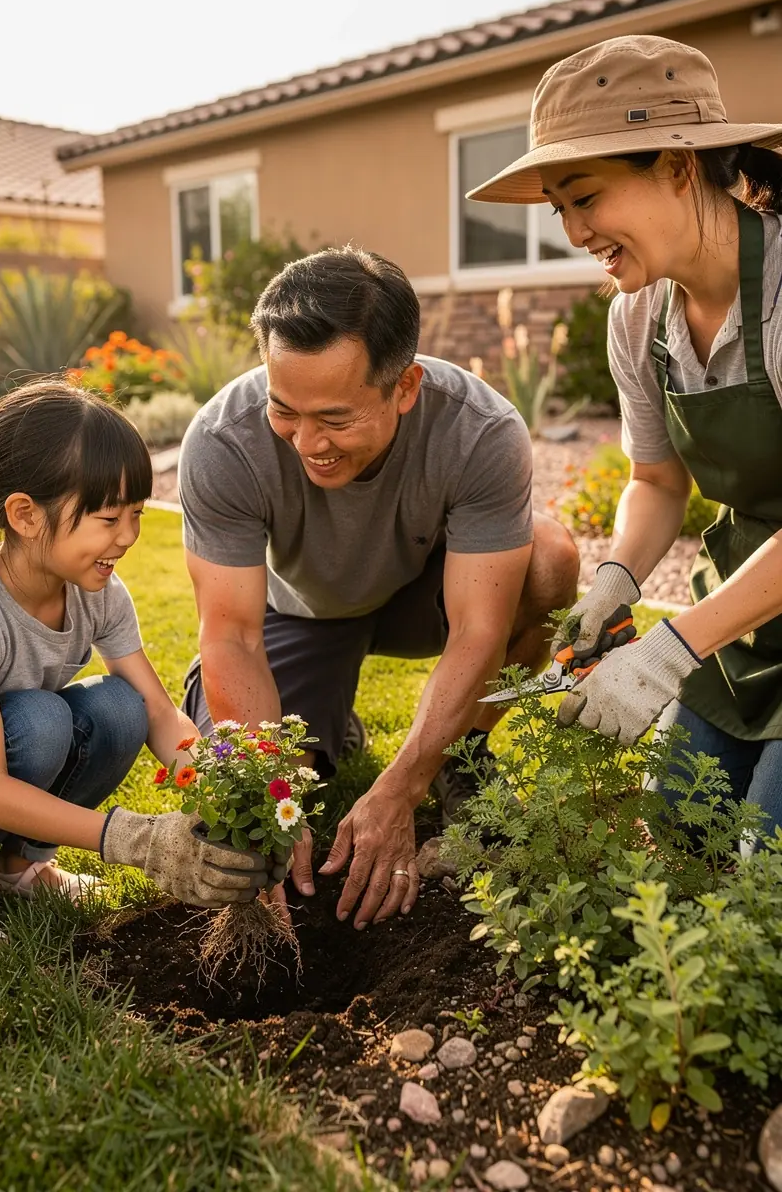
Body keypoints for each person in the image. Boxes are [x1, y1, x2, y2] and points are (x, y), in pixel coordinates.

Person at [179, 247, 579, 931]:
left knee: (552, 563)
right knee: (276, 794)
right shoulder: (223, 442)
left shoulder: (480, 430)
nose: (308, 443)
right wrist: (271, 785)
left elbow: (480, 629)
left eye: (335, 418)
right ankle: (330, 724)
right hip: (299, 613)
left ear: (405, 386)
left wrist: (405, 786)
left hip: (424, 598)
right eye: (286, 411)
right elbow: (232, 635)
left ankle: (464, 752)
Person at [468, 33, 782, 850]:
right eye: (559, 209)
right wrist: (615, 581)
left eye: (586, 197)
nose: (575, 231)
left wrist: (671, 647)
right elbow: (656, 479)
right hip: (746, 615)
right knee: (675, 836)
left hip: (731, 611)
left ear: (678, 167)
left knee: (763, 869)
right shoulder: (637, 317)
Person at [0, 382, 279, 951]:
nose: (130, 536)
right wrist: (135, 839)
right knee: (39, 722)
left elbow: (159, 711)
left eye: (136, 513)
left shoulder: (98, 593)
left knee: (118, 708)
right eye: (110, 518)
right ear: (25, 515)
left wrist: (232, 798)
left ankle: (18, 867)